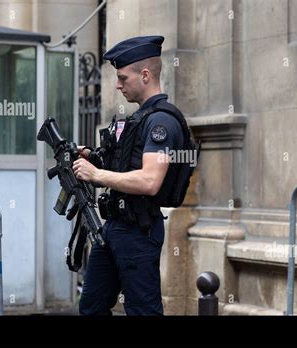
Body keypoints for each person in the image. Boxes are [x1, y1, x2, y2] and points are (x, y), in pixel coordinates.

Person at [72, 35, 185, 316]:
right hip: (114, 228)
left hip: (138, 231)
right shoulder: (140, 118)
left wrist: (97, 175)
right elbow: (127, 165)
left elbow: (149, 181)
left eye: (123, 78)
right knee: (91, 307)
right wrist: (95, 157)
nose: (118, 85)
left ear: (145, 75)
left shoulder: (161, 122)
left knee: (142, 311)